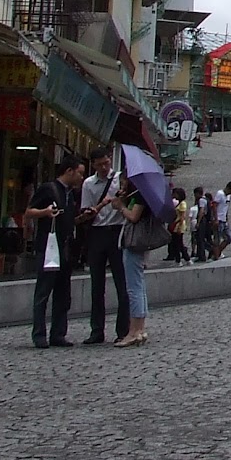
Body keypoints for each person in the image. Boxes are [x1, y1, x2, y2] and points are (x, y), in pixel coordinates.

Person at [28, 157, 85, 348]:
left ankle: (58, 333)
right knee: (44, 291)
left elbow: (68, 220)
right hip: (48, 247)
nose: (81, 177)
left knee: (63, 293)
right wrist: (45, 212)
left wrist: (82, 218)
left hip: (66, 248)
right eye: (80, 173)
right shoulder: (49, 189)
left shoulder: (71, 194)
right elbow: (29, 212)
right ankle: (39, 334)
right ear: (69, 171)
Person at [78, 147, 129, 345]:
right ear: (93, 165)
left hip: (117, 230)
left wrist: (122, 197)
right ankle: (96, 330)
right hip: (97, 231)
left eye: (106, 163)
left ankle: (123, 329)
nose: (104, 167)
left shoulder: (120, 179)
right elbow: (86, 211)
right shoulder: (88, 184)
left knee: (122, 283)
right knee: (96, 284)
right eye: (100, 165)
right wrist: (96, 208)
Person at [115, 180, 154, 347]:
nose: (122, 185)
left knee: (134, 287)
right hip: (139, 243)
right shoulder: (142, 193)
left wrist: (121, 207)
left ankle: (134, 331)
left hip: (134, 243)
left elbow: (133, 216)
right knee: (139, 285)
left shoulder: (140, 195)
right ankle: (140, 328)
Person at [211, 182, 231, 261]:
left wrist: (226, 218)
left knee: (228, 238)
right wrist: (215, 219)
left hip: (224, 220)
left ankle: (216, 253)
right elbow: (214, 206)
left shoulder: (228, 196)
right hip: (218, 219)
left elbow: (226, 207)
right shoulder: (220, 194)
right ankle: (216, 257)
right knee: (217, 239)